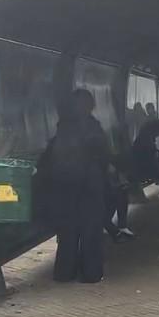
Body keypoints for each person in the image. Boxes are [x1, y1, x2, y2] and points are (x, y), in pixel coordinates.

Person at [41, 89, 111, 283]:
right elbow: (104, 156)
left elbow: (50, 158)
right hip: (89, 185)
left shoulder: (62, 127)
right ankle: (91, 273)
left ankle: (64, 272)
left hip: (64, 186)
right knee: (90, 229)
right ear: (90, 105)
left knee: (67, 232)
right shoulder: (93, 128)